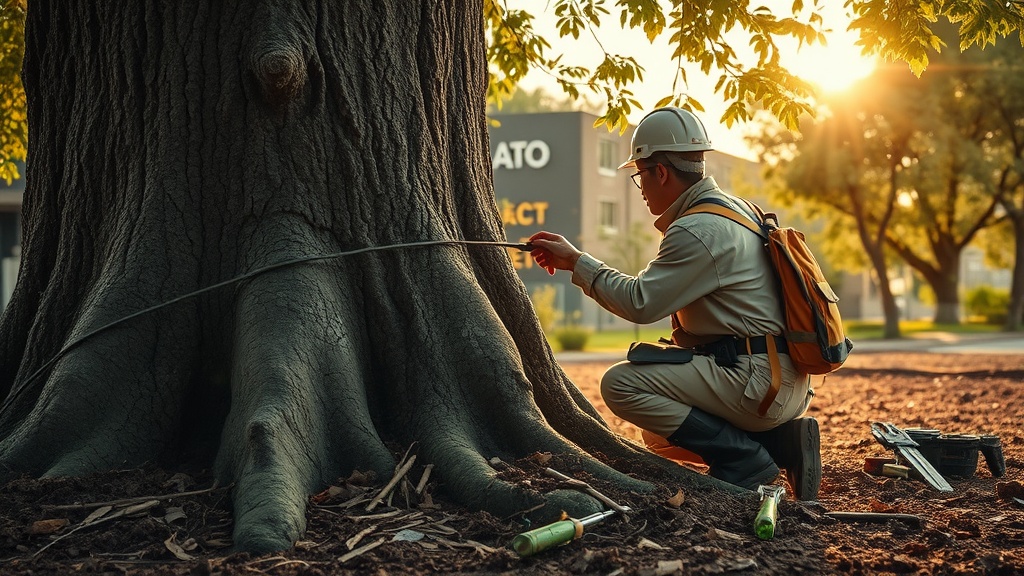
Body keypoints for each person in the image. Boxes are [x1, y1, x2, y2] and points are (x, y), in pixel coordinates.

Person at [528, 107, 821, 499]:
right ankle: (782, 444)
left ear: (661, 172)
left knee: (621, 384)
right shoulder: (739, 210)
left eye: (640, 175)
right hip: (784, 380)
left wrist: (577, 262)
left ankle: (744, 460)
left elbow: (641, 303)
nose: (641, 187)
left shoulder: (697, 229)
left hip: (758, 385)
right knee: (657, 436)